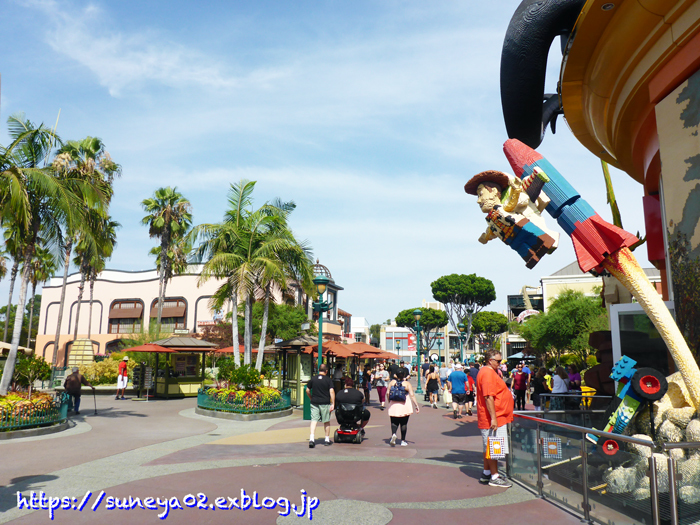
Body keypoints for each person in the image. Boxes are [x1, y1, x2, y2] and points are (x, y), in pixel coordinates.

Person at [476, 349, 514, 488]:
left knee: (490, 446)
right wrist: (493, 418)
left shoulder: (488, 372)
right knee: (494, 447)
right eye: (498, 361)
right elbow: (488, 397)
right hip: (494, 417)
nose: (500, 363)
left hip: (496, 416)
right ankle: (494, 476)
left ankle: (487, 473)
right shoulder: (487, 373)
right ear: (489, 360)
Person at [387, 367, 420, 446]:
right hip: (404, 404)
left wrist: (389, 401)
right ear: (404, 375)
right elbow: (412, 395)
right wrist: (416, 405)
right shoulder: (407, 384)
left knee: (394, 422)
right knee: (404, 423)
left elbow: (388, 393)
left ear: (396, 375)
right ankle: (403, 440)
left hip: (394, 404)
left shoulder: (392, 382)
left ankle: (394, 434)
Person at [305, 363, 335, 448]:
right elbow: (331, 391)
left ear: (318, 370)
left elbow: (307, 390)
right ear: (326, 371)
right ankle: (326, 439)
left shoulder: (313, 379)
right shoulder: (328, 380)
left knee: (314, 420)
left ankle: (311, 439)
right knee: (326, 421)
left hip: (314, 402)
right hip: (325, 403)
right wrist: (333, 403)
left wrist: (311, 397)